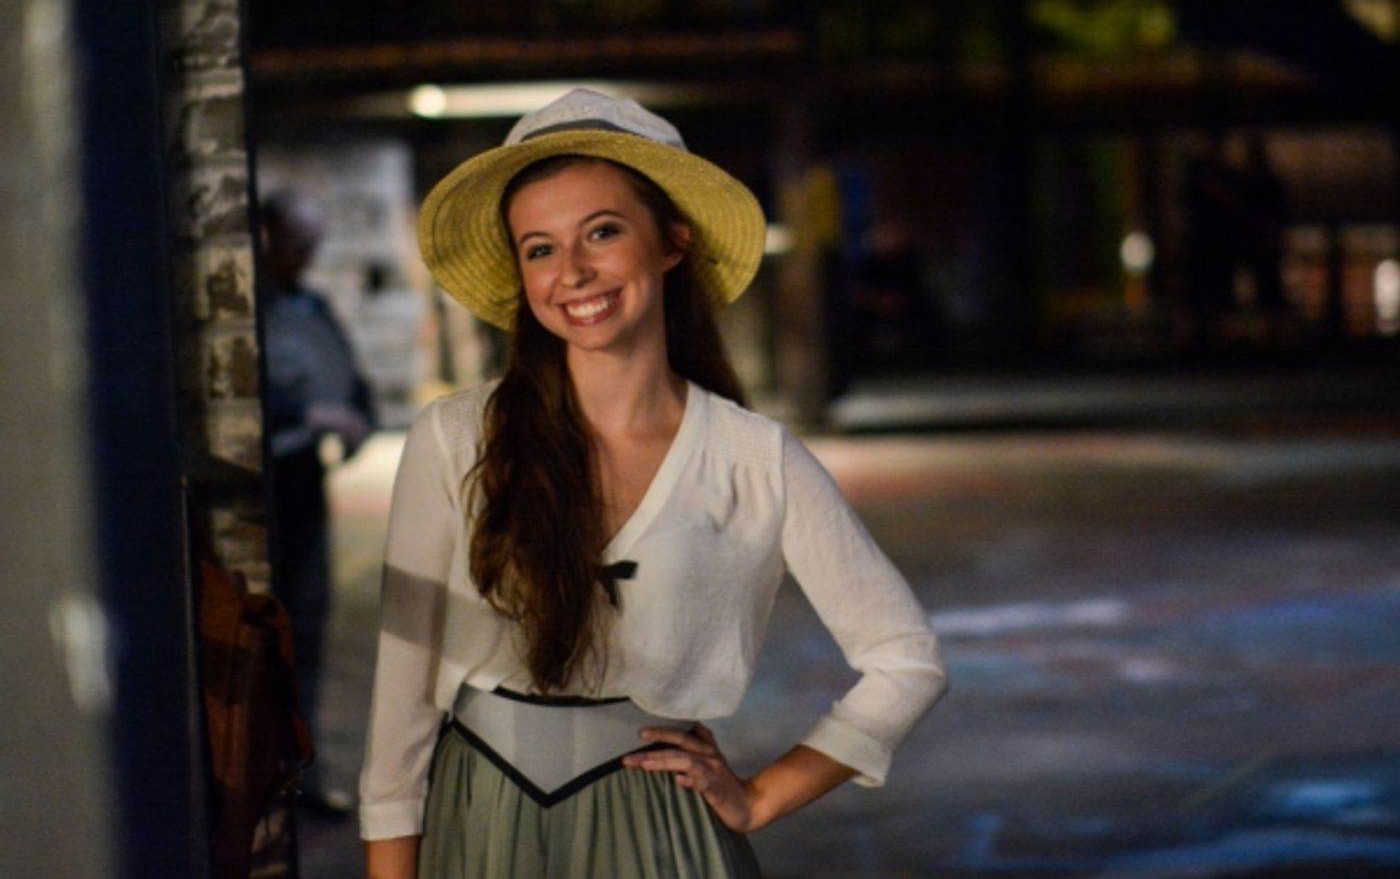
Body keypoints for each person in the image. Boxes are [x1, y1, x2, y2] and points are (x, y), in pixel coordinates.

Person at [359, 90, 948, 878]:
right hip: (480, 821)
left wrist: (762, 796)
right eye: (540, 248)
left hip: (664, 833)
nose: (572, 272)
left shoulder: (754, 458)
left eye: (602, 232)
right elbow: (400, 698)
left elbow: (908, 659)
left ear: (672, 243)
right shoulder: (455, 437)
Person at [260, 189, 376, 813]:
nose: (307, 256)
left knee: (307, 624)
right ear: (267, 237)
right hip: (263, 480)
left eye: (313, 245)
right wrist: (307, 412)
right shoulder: (247, 304)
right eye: (298, 243)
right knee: (267, 631)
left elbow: (350, 377)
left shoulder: (312, 307)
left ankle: (300, 773)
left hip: (304, 479)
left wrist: (358, 416)